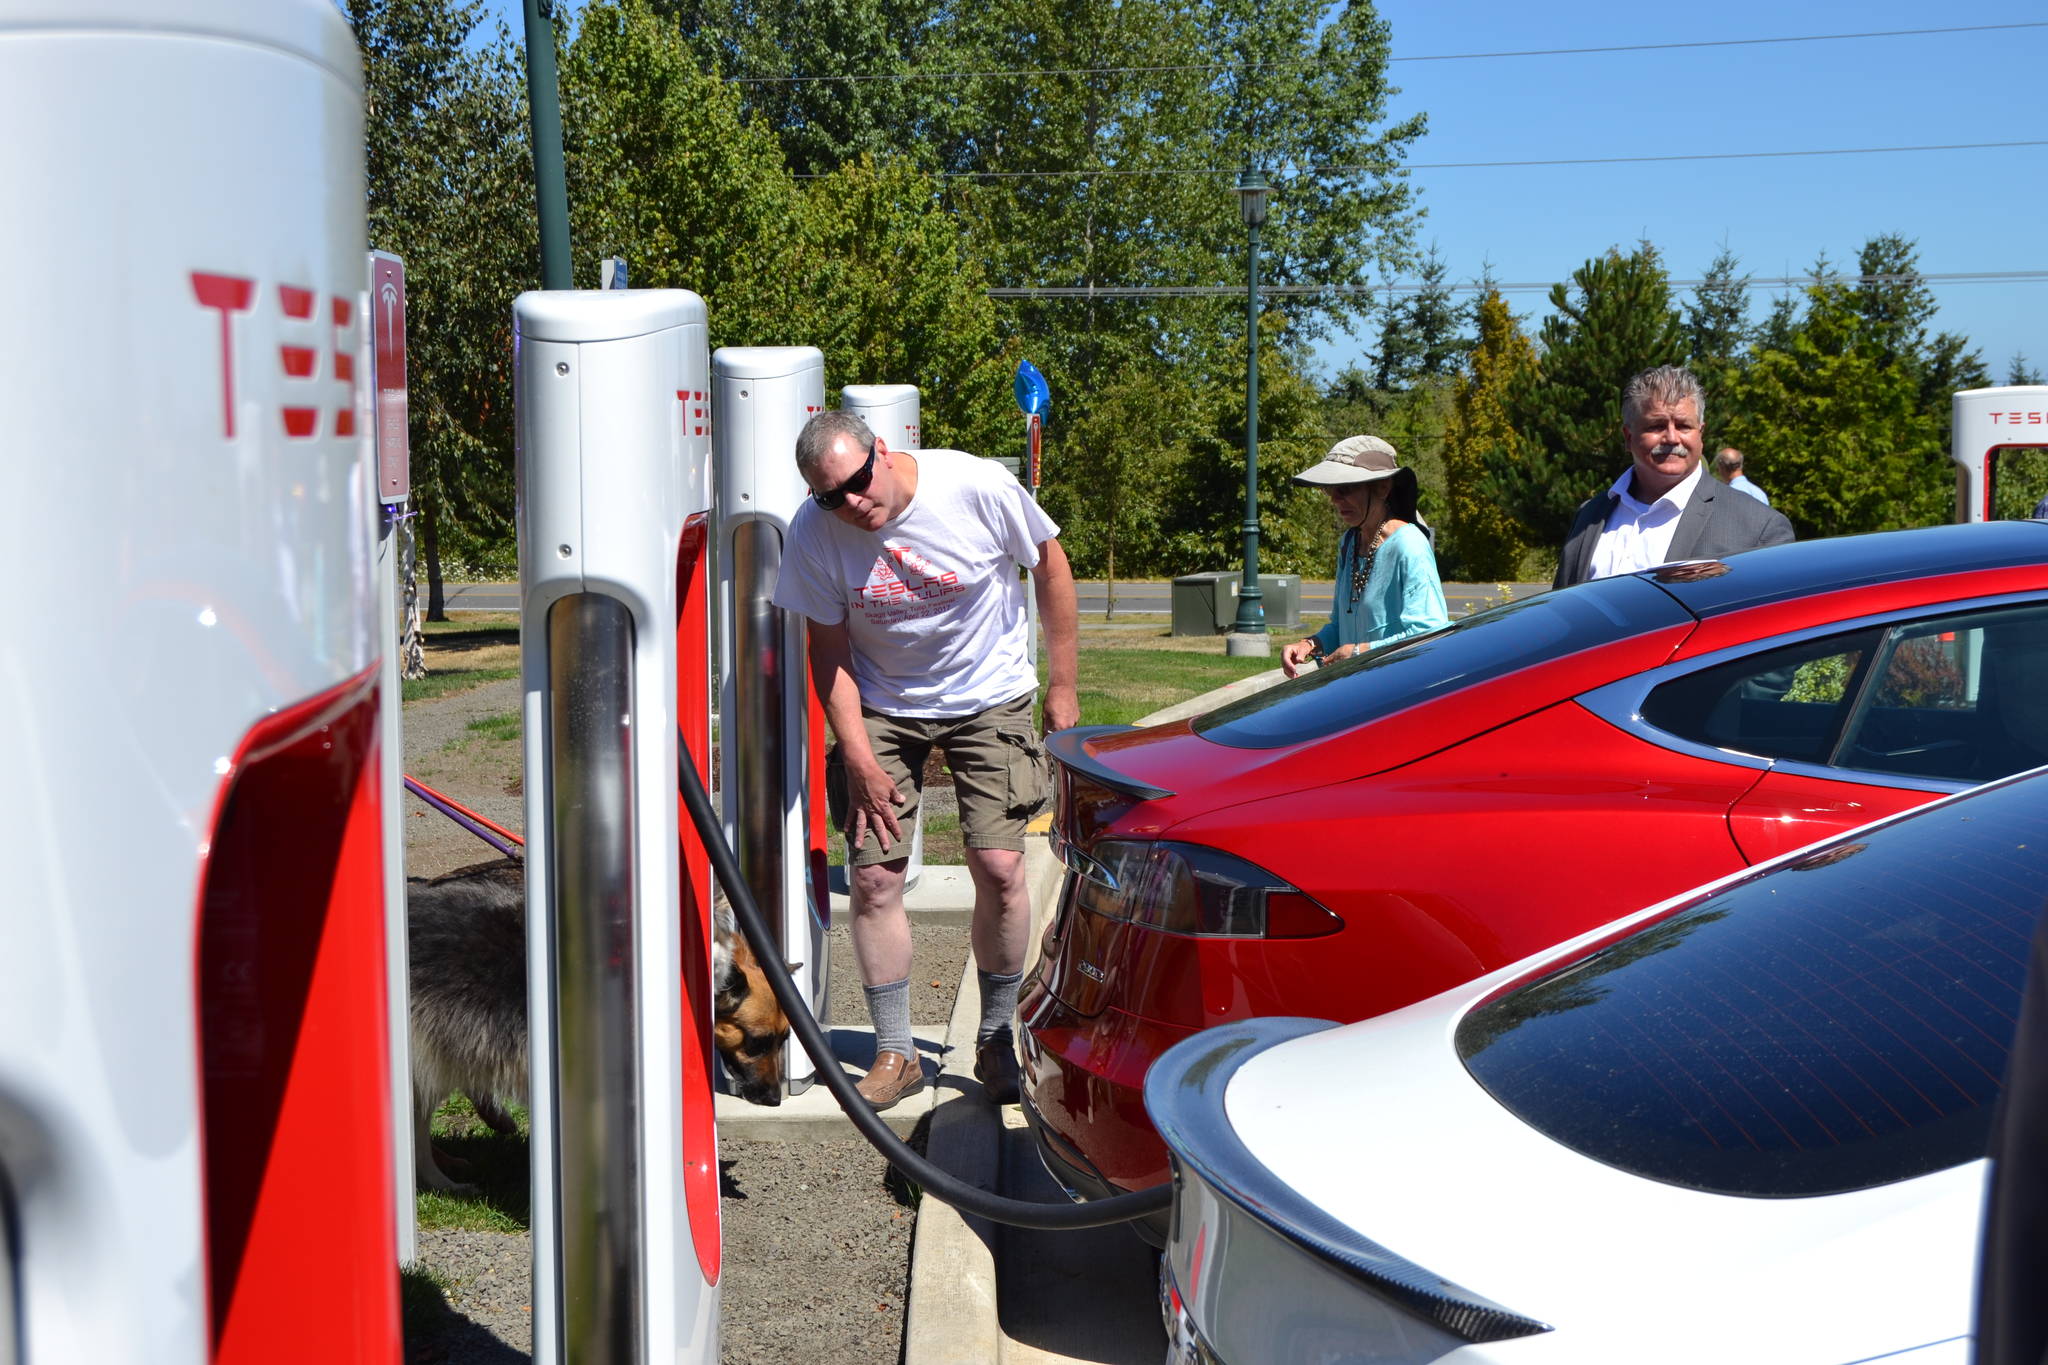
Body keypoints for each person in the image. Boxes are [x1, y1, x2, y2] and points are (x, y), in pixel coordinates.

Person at [771, 410, 1078, 1111]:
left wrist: (1062, 684)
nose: (851, 502)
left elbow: (1051, 565)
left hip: (989, 693)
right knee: (875, 877)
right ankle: (896, 1050)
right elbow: (830, 651)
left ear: (884, 451)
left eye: (857, 481)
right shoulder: (815, 533)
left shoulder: (975, 486)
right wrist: (855, 754)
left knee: (1000, 866)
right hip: (883, 702)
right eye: (830, 495)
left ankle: (997, 1035)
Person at [1554, 366, 1794, 590]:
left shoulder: (1758, 529)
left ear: (1701, 434)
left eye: (1683, 426)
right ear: (1628, 437)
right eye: (1656, 426)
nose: (1671, 438)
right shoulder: (1590, 517)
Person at [1280, 436, 1450, 679]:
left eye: (1345, 488)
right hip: (1358, 690)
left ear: (1382, 487)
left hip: (1398, 692)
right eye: (1330, 490)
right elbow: (1341, 627)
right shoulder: (1349, 543)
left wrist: (1360, 652)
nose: (1335, 499)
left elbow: (1429, 633)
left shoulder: (1409, 544)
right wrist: (1309, 644)